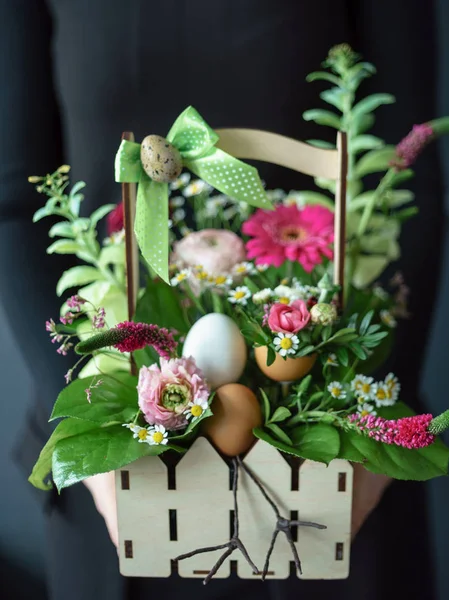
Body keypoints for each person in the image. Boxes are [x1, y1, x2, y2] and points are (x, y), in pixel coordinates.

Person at [0, 1, 443, 599]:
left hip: (333, 473)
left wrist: (369, 428)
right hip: (117, 485)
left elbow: (405, 168)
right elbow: (13, 192)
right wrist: (89, 433)